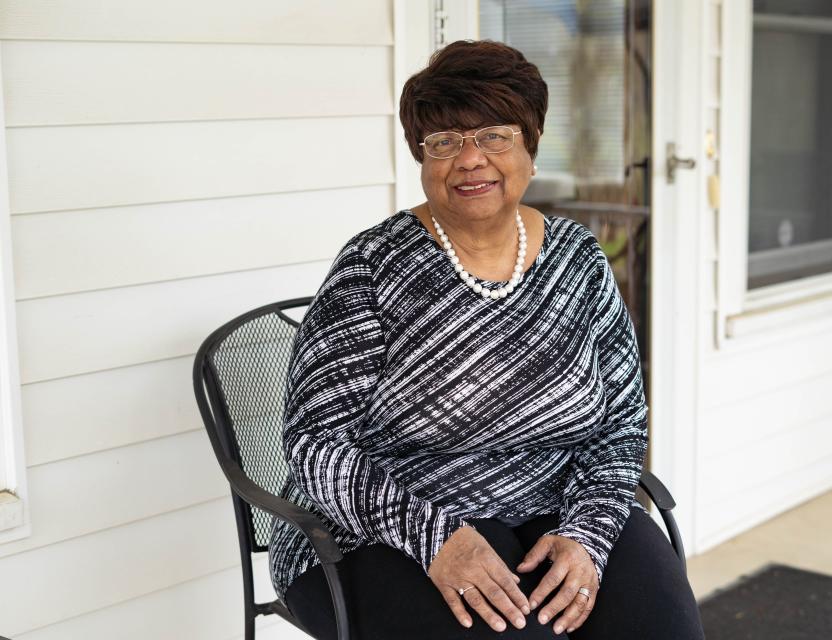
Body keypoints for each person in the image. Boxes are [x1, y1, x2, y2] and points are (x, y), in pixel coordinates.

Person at [268, 39, 705, 639]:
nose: (470, 159)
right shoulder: (372, 266)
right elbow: (316, 448)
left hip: (559, 503)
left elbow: (621, 425)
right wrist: (436, 538)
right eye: (444, 142)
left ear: (530, 147)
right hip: (373, 527)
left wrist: (588, 534)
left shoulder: (579, 261)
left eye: (494, 136)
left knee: (661, 626)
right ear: (421, 159)